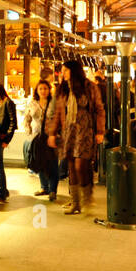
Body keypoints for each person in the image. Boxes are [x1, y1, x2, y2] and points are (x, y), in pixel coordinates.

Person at [45, 59, 105, 214]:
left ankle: (87, 194)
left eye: (65, 70)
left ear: (74, 70)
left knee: (81, 165)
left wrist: (100, 131)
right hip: (69, 131)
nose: (62, 73)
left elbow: (99, 109)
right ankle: (76, 203)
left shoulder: (90, 87)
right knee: (71, 166)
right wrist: (52, 133)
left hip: (85, 130)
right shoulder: (63, 89)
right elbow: (58, 113)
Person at [24, 79, 60, 202]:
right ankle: (44, 187)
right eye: (41, 89)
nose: (43, 91)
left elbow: (59, 119)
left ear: (49, 90)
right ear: (37, 91)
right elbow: (27, 118)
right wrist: (28, 132)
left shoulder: (54, 103)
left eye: (45, 88)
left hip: (51, 136)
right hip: (36, 136)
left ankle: (53, 190)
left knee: (53, 163)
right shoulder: (32, 103)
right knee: (39, 161)